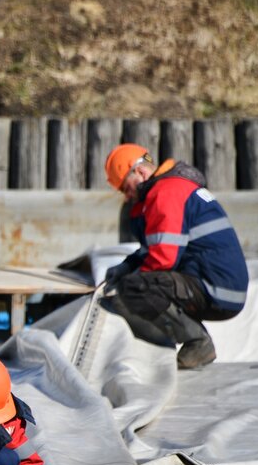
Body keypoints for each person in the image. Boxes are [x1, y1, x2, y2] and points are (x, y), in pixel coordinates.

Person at [102, 144, 249, 369]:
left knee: (135, 289)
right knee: (137, 284)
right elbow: (152, 249)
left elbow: (163, 258)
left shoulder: (166, 193)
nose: (127, 195)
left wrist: (129, 281)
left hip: (216, 288)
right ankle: (192, 341)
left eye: (126, 187)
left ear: (140, 173)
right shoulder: (175, 188)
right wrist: (126, 266)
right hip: (219, 284)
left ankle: (197, 343)